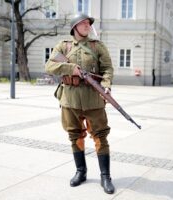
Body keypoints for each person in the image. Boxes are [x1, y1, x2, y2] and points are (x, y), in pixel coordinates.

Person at [45, 13, 115, 194]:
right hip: (70, 99)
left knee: (100, 136)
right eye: (83, 23)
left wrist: (106, 85)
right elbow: (50, 66)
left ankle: (105, 176)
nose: (87, 25)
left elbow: (107, 68)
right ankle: (80, 171)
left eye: (88, 23)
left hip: (94, 99)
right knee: (75, 135)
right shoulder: (64, 46)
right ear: (74, 27)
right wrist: (71, 69)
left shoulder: (97, 46)